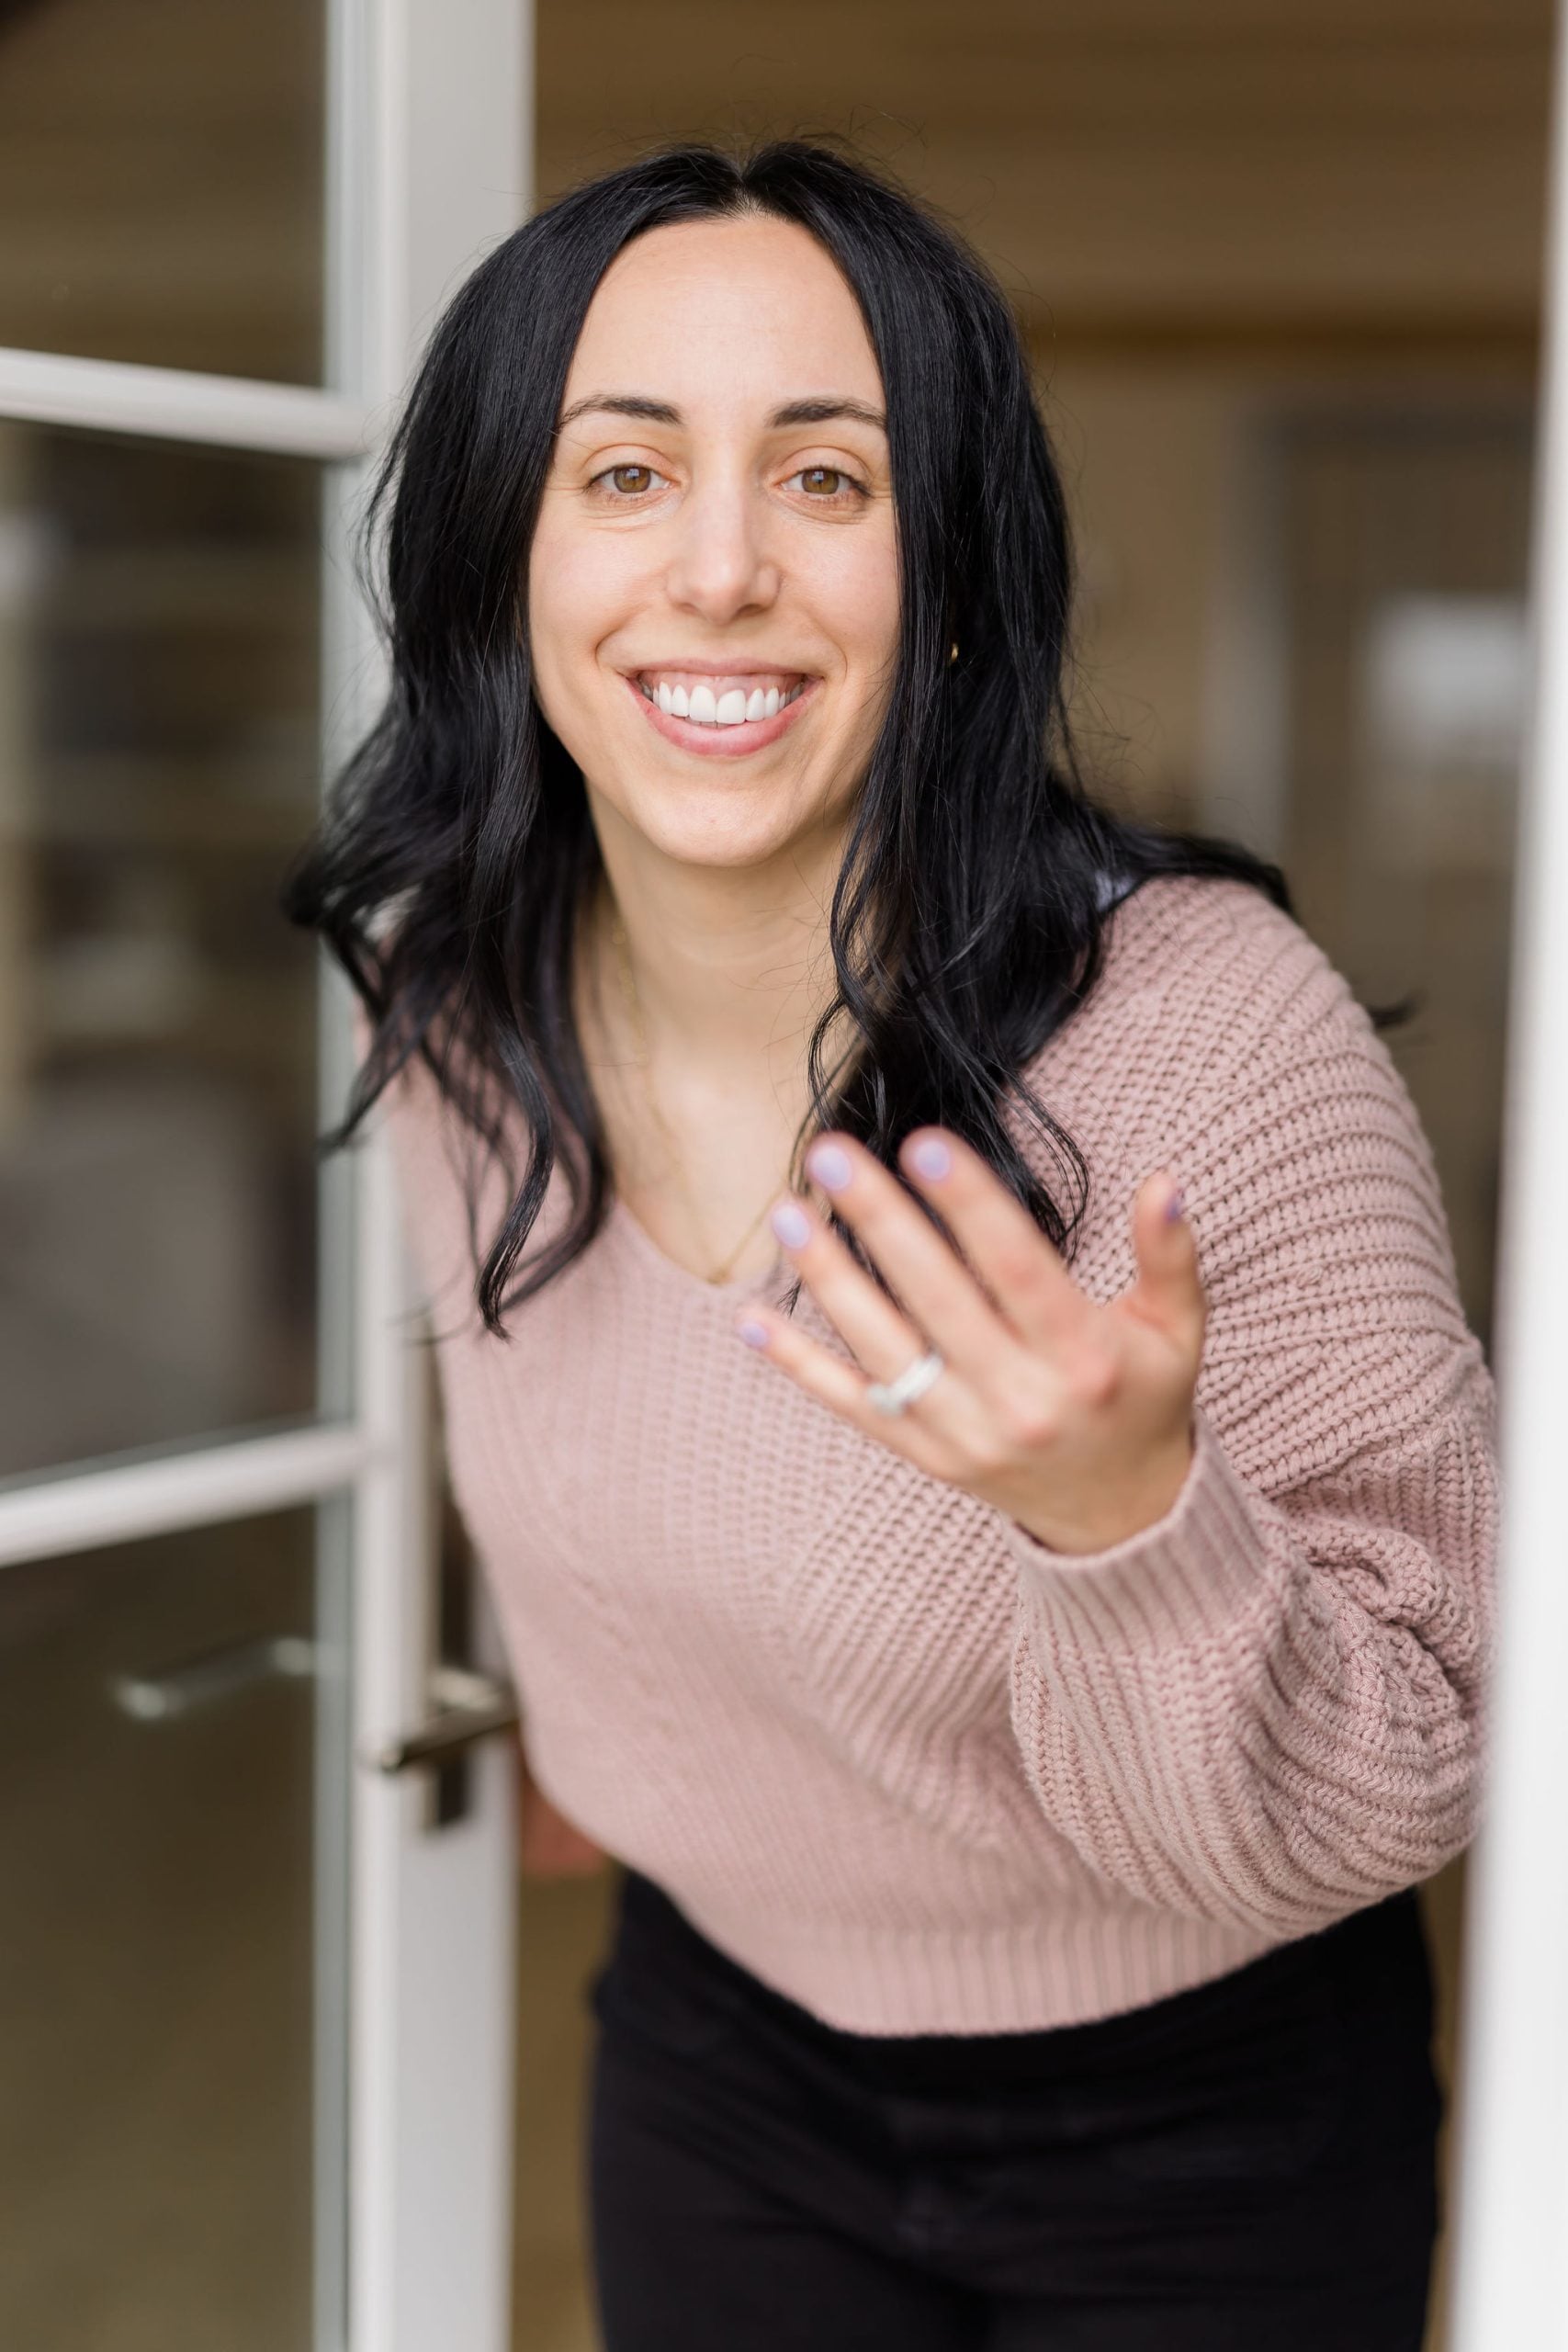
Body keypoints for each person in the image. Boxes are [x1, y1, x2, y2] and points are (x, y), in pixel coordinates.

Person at [283, 140, 1497, 2351]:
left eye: (825, 481)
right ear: (503, 561)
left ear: (945, 577)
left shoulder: (1208, 1040)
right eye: (622, 473)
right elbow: (610, 1470)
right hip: (714, 2062)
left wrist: (1121, 1517)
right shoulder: (468, 1015)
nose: (722, 568)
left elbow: (1408, 1774)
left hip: (1195, 2127)